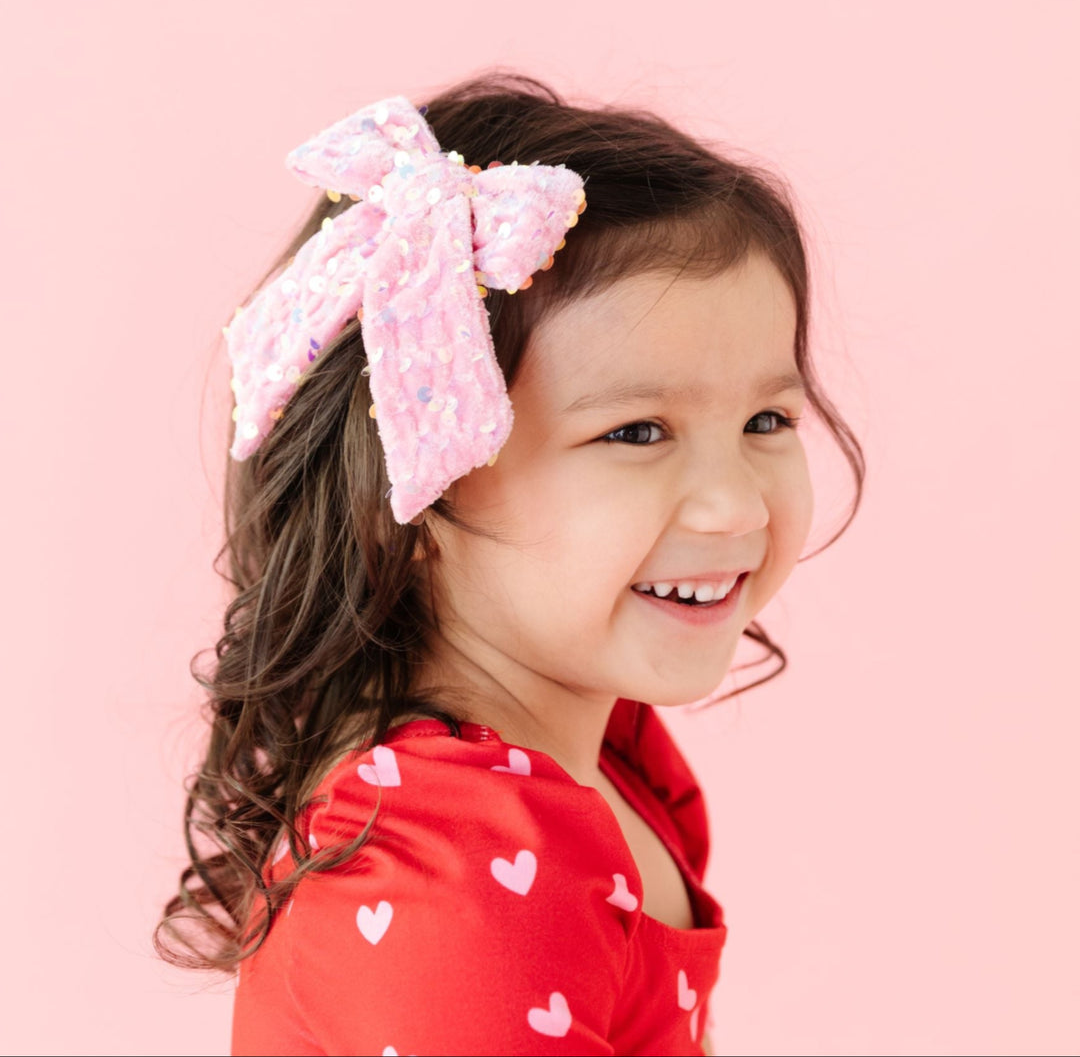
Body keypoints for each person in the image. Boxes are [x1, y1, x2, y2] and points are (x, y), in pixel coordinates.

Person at [158, 71, 864, 1056]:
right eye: (637, 432)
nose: (737, 503)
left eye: (766, 420)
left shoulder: (606, 756)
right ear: (414, 486)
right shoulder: (451, 878)